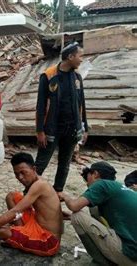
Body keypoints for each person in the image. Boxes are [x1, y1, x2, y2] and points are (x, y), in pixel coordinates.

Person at [35, 42, 89, 193]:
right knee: (40, 164)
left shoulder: (77, 77)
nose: (81, 60)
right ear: (70, 57)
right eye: (80, 56)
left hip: (72, 129)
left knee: (64, 165)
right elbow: (40, 106)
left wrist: (84, 127)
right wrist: (40, 131)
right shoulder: (49, 76)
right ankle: (28, 194)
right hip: (52, 129)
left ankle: (57, 193)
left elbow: (82, 103)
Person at [59, 161, 137, 265]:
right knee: (94, 208)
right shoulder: (120, 188)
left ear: (95, 174)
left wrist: (64, 196)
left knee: (77, 216)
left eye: (87, 177)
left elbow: (74, 206)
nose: (87, 183)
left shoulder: (101, 184)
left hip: (130, 256)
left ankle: (102, 261)